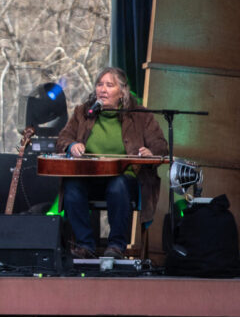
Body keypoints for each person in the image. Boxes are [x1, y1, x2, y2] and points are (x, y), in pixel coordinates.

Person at [55, 66, 168, 259]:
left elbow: (161, 146)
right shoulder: (83, 112)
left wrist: (151, 152)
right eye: (100, 84)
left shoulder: (140, 115)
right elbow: (62, 139)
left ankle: (116, 246)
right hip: (89, 179)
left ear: (122, 92)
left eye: (109, 85)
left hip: (125, 181)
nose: (103, 89)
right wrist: (72, 145)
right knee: (71, 185)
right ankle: (85, 246)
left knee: (118, 185)